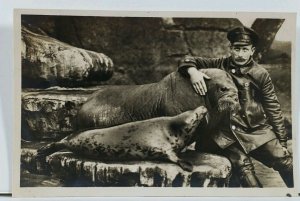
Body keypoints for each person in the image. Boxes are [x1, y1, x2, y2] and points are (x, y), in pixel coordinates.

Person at [177, 26, 293, 187]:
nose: (240, 54)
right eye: (236, 49)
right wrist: (192, 72)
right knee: (243, 166)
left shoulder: (260, 74)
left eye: (244, 49)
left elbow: (273, 107)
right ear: (230, 49)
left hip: (255, 129)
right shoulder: (218, 64)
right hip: (223, 132)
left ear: (252, 50)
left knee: (285, 161)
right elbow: (187, 59)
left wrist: (282, 141)